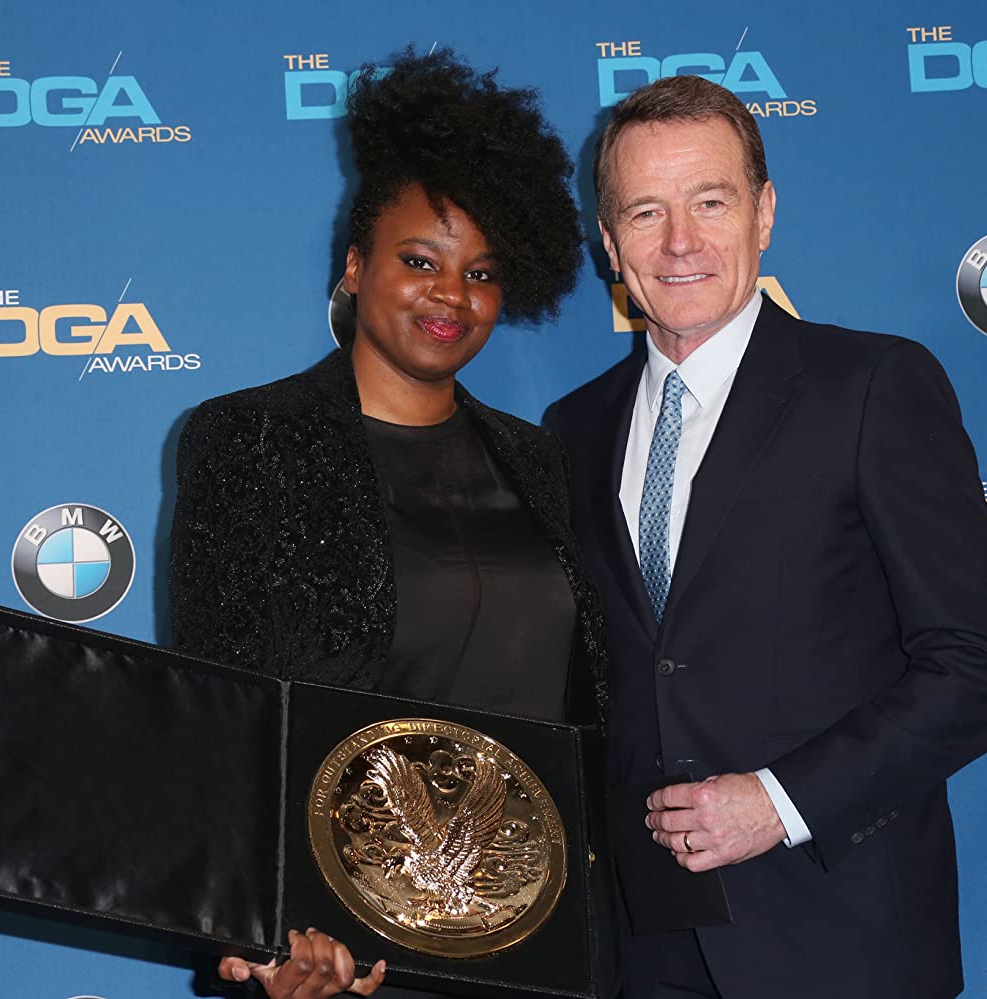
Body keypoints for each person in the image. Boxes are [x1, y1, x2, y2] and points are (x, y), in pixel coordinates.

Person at [543, 75, 987, 999]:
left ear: (764, 213)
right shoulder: (574, 428)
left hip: (839, 937)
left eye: (710, 202)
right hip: (643, 950)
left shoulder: (874, 387)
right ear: (608, 240)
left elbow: (982, 665)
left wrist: (778, 801)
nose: (680, 242)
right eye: (646, 212)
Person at [169, 49, 605, 999]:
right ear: (356, 265)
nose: (451, 295)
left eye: (481, 272)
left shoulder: (537, 460)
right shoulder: (251, 438)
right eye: (419, 260)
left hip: (538, 941)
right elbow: (216, 702)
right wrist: (256, 927)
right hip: (343, 949)